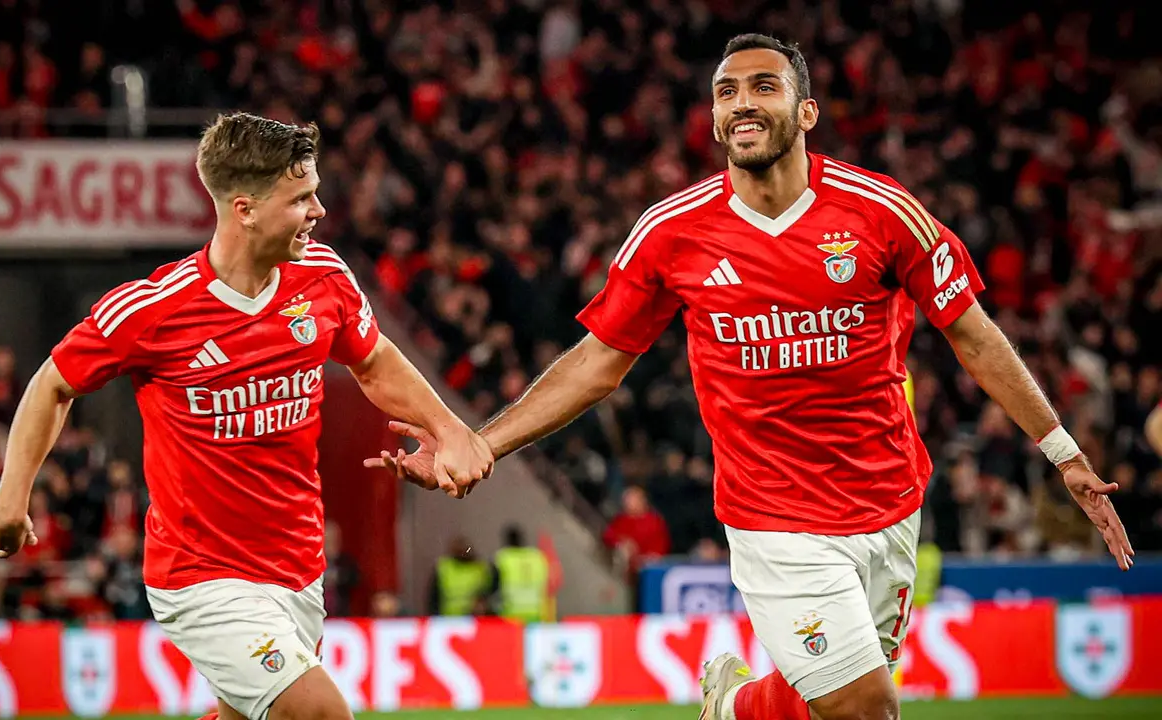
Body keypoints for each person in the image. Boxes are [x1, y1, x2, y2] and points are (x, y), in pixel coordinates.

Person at [367, 35, 1134, 720]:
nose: (742, 102)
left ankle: (732, 704)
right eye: (727, 91)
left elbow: (973, 335)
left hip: (888, 500)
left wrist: (1062, 450)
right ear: (713, 119)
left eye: (764, 87)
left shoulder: (882, 212)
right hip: (774, 518)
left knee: (823, 702)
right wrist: (484, 441)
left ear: (806, 112)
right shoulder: (672, 232)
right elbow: (597, 363)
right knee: (866, 707)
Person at [0, 112, 493, 720]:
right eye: (300, 198)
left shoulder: (324, 278)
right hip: (201, 575)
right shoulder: (155, 309)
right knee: (320, 714)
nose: (319, 210)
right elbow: (52, 383)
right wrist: (11, 499)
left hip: (298, 569)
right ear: (244, 209)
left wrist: (450, 429)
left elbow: (373, 360)